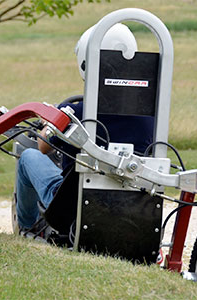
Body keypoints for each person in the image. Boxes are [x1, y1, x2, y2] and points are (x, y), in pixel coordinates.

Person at [16, 23, 147, 230]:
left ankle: (25, 228)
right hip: (136, 206)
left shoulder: (73, 112)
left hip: (72, 208)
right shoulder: (150, 117)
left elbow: (43, 147)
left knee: (28, 157)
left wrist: (50, 121)